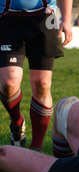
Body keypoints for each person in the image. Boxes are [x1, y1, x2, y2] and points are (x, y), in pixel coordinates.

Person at [0, 0, 73, 151]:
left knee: (42, 84)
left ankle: (36, 149)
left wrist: (66, 18)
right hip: (6, 17)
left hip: (46, 17)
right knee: (8, 82)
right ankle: (17, 123)